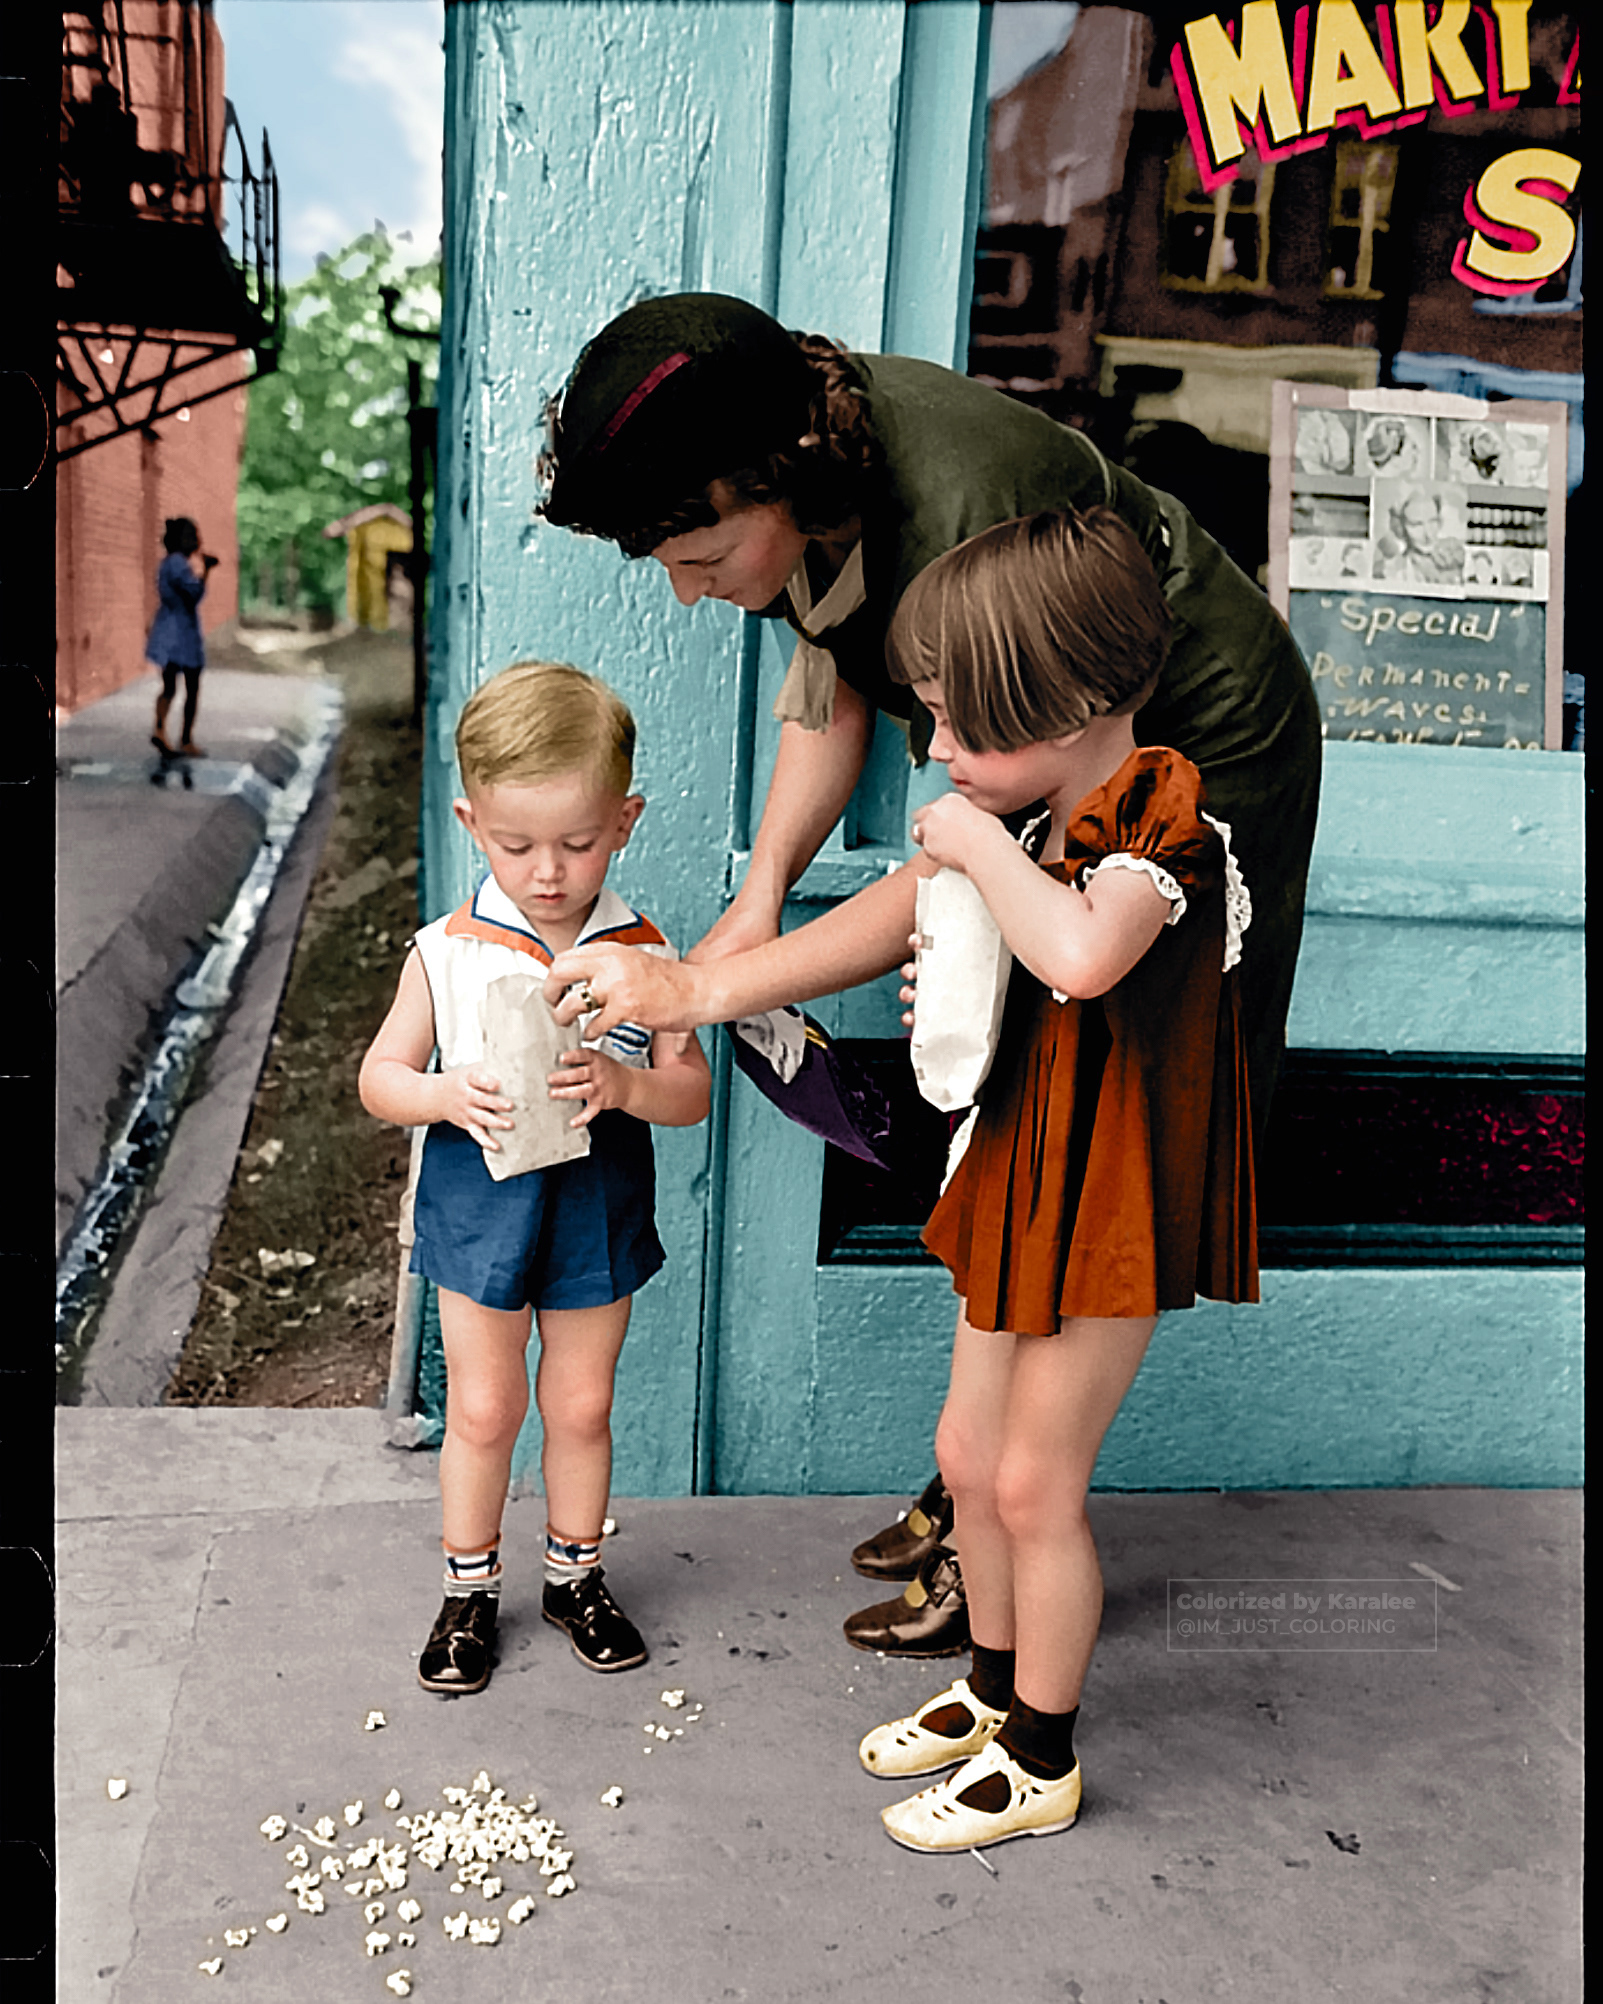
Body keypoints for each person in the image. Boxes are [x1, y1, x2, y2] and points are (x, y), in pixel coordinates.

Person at [540, 292, 1318, 1656]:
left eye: (699, 550)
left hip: (1202, 747)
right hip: (1039, 794)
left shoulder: (968, 517)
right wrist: (759, 897)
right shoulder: (796, 460)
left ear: (773, 482)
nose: (684, 586)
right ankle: (977, 1472)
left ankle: (1009, 1505)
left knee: (1092, 1119)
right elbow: (835, 683)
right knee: (1013, 1115)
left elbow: (954, 871)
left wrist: (703, 991)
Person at [551, 506, 1258, 1849]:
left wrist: (980, 849)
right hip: (1014, 1179)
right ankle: (990, 1691)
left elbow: (1082, 955)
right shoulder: (1032, 812)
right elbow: (875, 927)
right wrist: (690, 988)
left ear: (1085, 700)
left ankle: (1039, 1760)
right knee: (965, 1459)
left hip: (1105, 1209)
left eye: (961, 725)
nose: (934, 754)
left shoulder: (1154, 810)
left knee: (1035, 1487)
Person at [359, 662, 711, 1694]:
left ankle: (575, 1576)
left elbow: (688, 1094)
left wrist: (626, 1083)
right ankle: (468, 1592)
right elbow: (380, 1077)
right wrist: (445, 1094)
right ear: (472, 823)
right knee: (480, 1407)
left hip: (593, 1207)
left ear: (626, 819)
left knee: (583, 1402)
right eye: (516, 846)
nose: (548, 872)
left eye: (579, 841)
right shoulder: (447, 950)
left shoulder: (646, 956)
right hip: (478, 1205)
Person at [146, 516, 217, 756]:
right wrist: (205, 571)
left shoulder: (167, 563)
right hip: (182, 632)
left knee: (168, 685)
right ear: (184, 539)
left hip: (166, 627)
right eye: (194, 536)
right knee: (192, 686)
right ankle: (186, 740)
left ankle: (159, 729)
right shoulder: (179, 564)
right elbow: (193, 594)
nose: (198, 541)